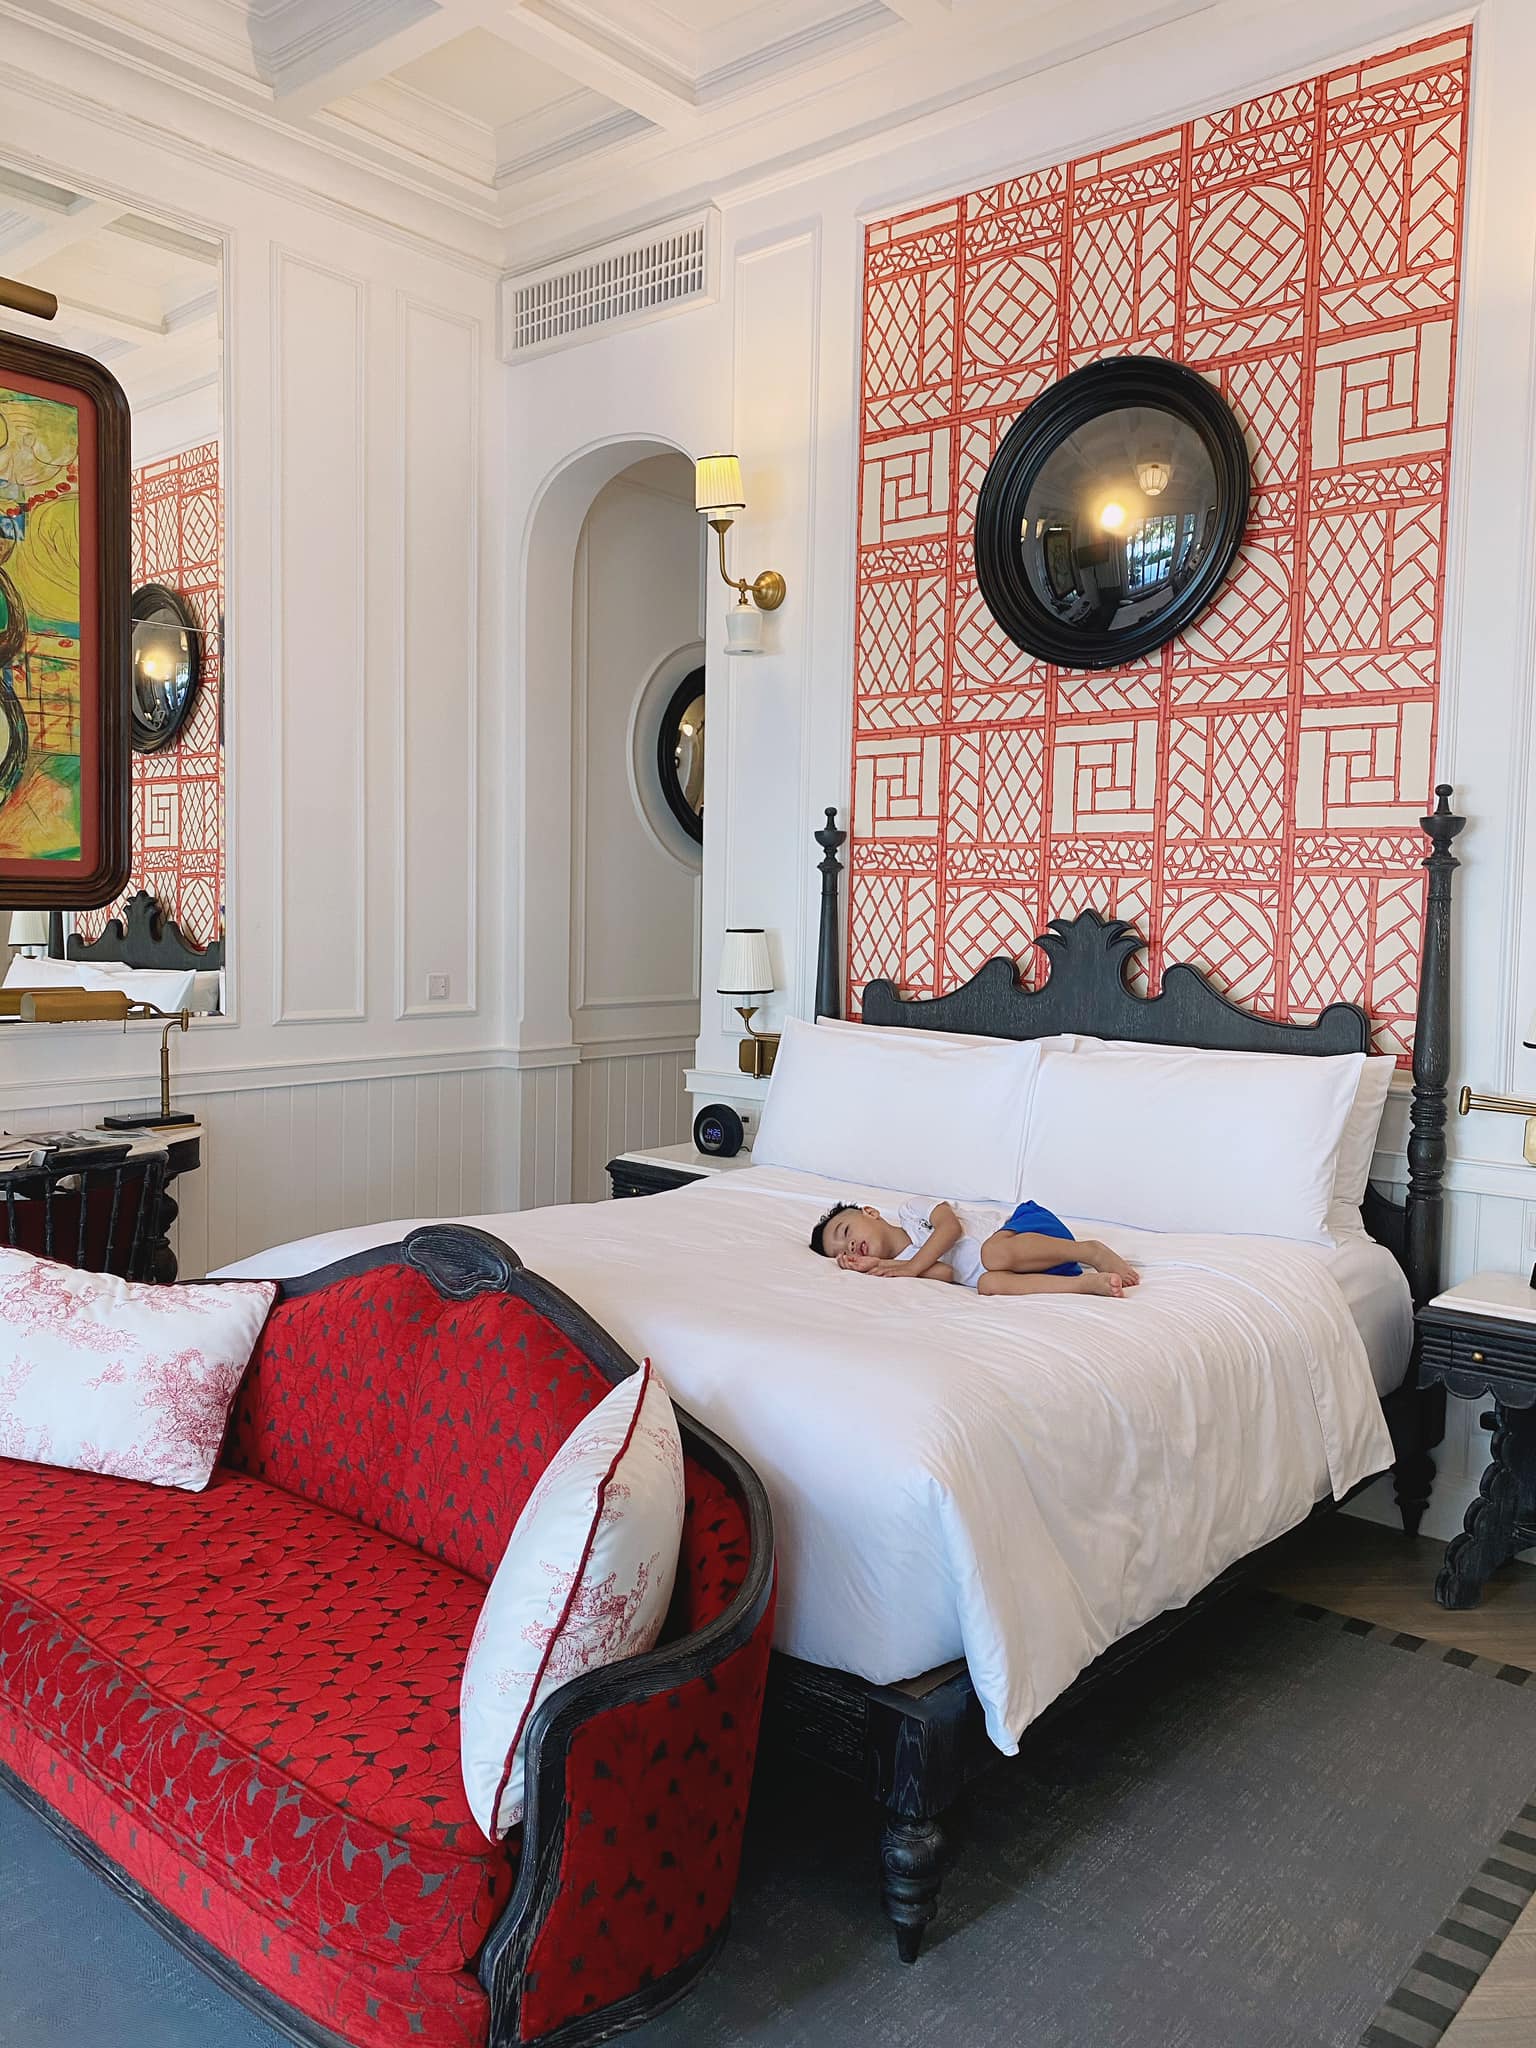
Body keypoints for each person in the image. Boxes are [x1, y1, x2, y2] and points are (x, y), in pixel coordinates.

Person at [809, 1196, 1137, 1298]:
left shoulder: (911, 1211)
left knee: (991, 1254)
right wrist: (884, 1268)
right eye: (842, 1250)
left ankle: (1090, 1251)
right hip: (1031, 1270)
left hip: (1033, 1233)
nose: (850, 1244)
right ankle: (1082, 1284)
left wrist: (909, 1267)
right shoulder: (905, 1263)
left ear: (870, 1212)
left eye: (845, 1231)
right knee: (987, 1283)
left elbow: (949, 1229)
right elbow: (946, 1273)